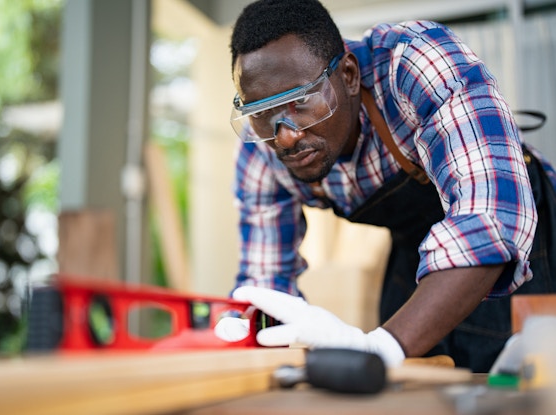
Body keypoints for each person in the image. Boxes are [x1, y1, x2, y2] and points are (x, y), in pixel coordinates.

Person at [213, 0, 556, 373]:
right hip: (416, 251)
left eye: (300, 102)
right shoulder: (260, 150)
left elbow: (489, 215)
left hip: (529, 242)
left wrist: (385, 345)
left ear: (348, 75)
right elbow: (266, 280)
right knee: (409, 389)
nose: (287, 137)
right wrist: (252, 333)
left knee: (526, 384)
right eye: (261, 112)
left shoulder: (414, 62)